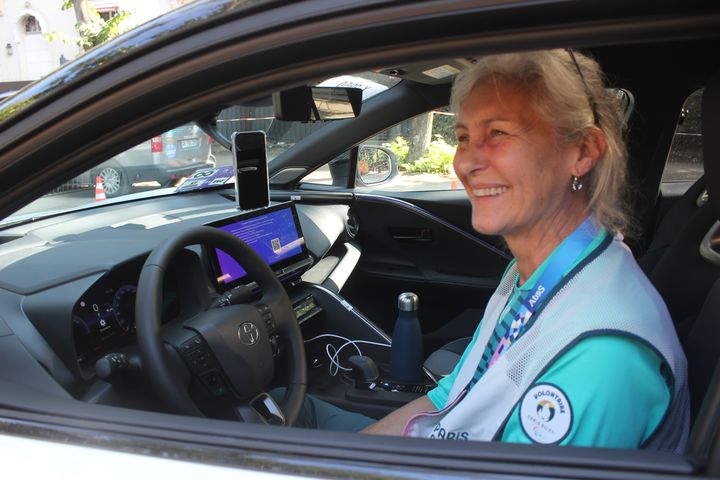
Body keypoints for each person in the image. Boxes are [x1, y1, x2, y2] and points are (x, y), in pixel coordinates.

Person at [290, 49, 690, 451]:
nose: (465, 163)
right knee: (296, 410)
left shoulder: (602, 356)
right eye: (464, 137)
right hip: (449, 447)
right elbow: (451, 398)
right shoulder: (535, 271)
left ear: (582, 152)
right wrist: (356, 457)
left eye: (498, 133)